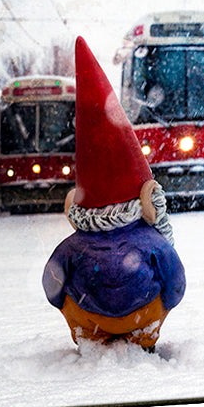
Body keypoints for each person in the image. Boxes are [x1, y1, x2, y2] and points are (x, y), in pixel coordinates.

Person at [42, 36, 186, 350]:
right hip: (143, 313)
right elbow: (175, 285)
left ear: (77, 206)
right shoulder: (153, 241)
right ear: (146, 198)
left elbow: (51, 285)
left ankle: (90, 334)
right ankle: (142, 334)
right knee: (157, 301)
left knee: (75, 309)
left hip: (86, 315)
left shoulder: (72, 247)